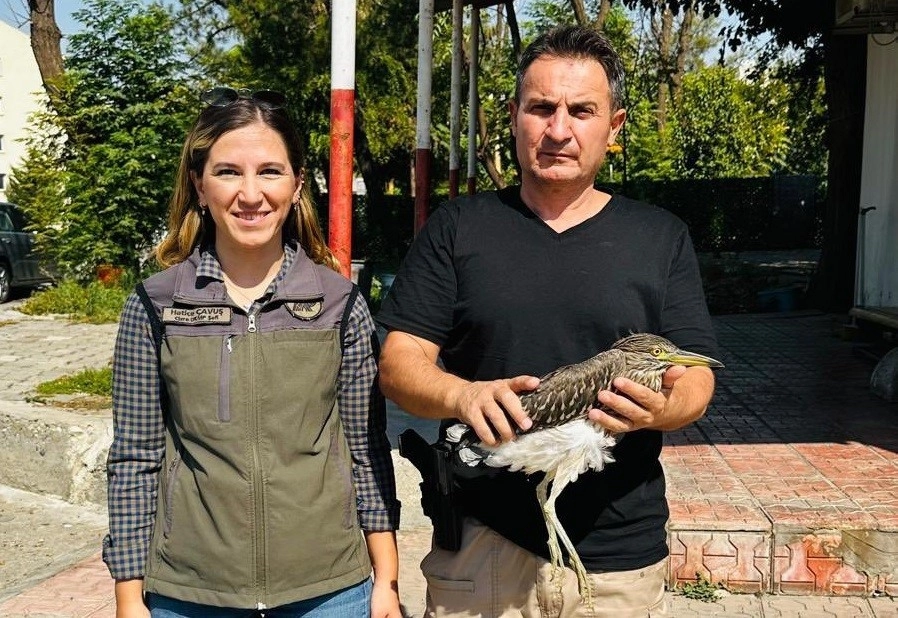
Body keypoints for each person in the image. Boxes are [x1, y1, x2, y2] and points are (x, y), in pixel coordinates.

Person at [377, 25, 718, 617]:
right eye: (541, 108)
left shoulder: (661, 237)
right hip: (479, 551)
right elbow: (398, 364)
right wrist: (463, 395)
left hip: (617, 560)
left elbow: (697, 377)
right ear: (514, 118)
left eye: (582, 111)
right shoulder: (457, 229)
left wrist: (659, 410)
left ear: (614, 126)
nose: (559, 130)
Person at [103, 87, 401, 618]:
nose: (250, 194)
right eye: (227, 172)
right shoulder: (155, 306)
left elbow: (366, 450)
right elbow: (134, 458)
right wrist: (129, 597)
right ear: (200, 185)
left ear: (297, 184)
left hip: (330, 592)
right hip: (190, 595)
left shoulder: (340, 305)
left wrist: (388, 583)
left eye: (269, 171)